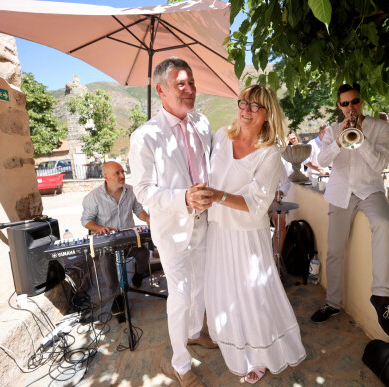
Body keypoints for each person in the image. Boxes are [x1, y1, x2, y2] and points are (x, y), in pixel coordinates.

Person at [203, 85, 306, 384]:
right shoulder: (221, 136)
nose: (246, 110)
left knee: (254, 294)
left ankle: (261, 355)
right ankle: (237, 348)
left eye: (255, 107)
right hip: (218, 229)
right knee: (226, 293)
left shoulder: (270, 152)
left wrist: (218, 195)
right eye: (244, 103)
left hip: (248, 234)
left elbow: (257, 205)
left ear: (267, 114)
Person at [128, 57, 216, 387]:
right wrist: (183, 198)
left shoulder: (203, 124)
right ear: (161, 90)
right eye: (181, 84)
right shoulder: (145, 137)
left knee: (201, 287)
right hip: (172, 230)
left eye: (191, 83)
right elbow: (144, 192)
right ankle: (181, 363)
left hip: (204, 224)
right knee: (179, 296)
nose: (189, 89)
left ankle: (194, 333)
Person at [311, 83, 389, 339]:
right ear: (339, 106)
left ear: (362, 101)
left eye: (355, 101)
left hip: (369, 189)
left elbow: (381, 164)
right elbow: (323, 161)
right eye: (345, 103)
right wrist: (340, 138)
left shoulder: (380, 127)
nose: (351, 107)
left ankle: (382, 296)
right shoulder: (330, 131)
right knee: (335, 250)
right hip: (339, 192)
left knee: (384, 223)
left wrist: (361, 139)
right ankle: (332, 304)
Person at [80, 161, 151, 316]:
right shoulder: (93, 197)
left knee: (144, 253)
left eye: (122, 172)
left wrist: (148, 219)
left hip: (128, 241)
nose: (122, 176)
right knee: (106, 262)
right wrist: (99, 228)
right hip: (107, 244)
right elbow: (86, 221)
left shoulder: (131, 191)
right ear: (106, 177)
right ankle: (116, 296)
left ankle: (138, 275)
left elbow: (138, 210)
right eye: (117, 173)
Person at [268, 164, 291, 269]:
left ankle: (276, 263)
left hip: (273, 202)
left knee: (281, 221)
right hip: (255, 203)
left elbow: (286, 183)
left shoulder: (276, 158)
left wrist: (280, 192)